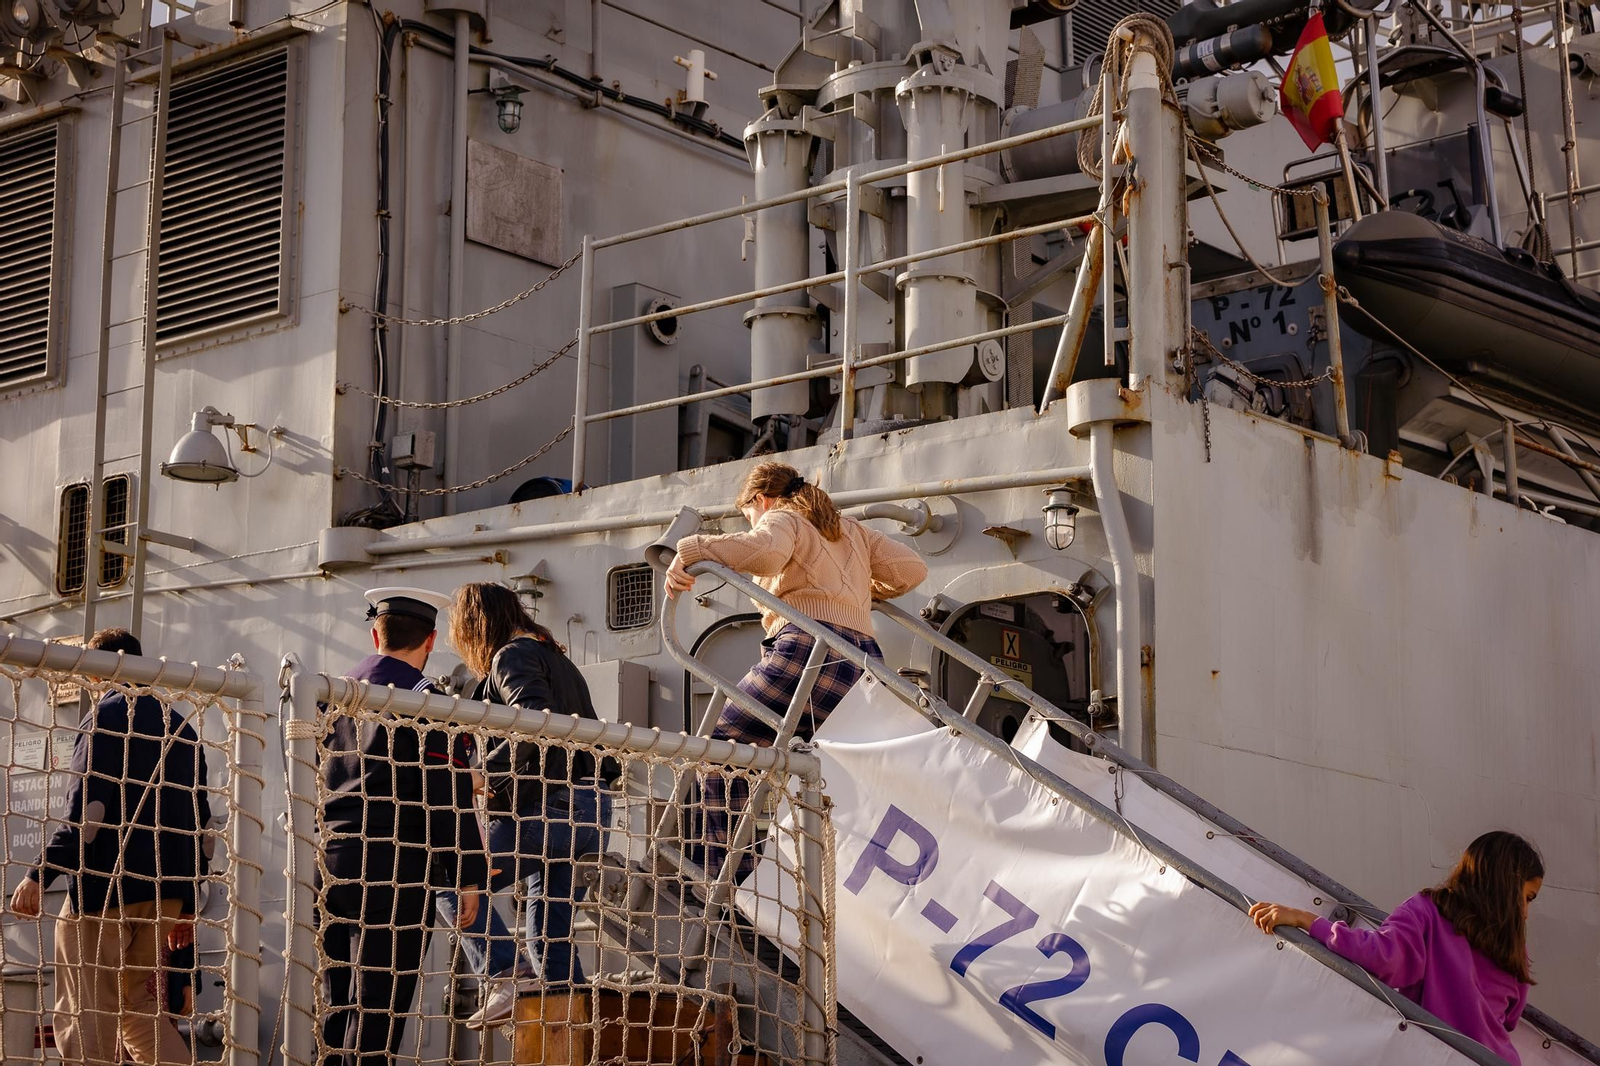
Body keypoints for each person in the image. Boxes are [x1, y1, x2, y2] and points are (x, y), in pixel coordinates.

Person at [664, 461, 927, 878]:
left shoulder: (783, 516)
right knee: (826, 772)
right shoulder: (850, 530)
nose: (753, 523)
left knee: (717, 751)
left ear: (760, 499)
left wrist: (691, 549)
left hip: (805, 650)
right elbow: (913, 569)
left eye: (749, 515)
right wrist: (858, 590)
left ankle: (729, 881)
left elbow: (764, 553)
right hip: (861, 662)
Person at [6, 627, 209, 1065]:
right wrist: (187, 905)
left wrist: (39, 874)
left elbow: (86, 814)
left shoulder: (102, 719)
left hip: (105, 893)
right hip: (164, 897)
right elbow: (199, 824)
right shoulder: (183, 729)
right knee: (137, 1009)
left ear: (97, 672)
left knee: (85, 1012)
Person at [318, 588, 486, 1066]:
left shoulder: (333, 692)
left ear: (376, 634)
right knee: (380, 1011)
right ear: (431, 641)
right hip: (393, 870)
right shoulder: (425, 701)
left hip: (331, 863)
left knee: (335, 1004)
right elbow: (445, 790)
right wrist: (467, 875)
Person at [446, 582, 616, 1022]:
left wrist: (484, 775)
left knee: (446, 876)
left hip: (550, 809)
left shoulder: (510, 656)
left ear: (474, 625)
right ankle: (576, 1029)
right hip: (589, 811)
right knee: (548, 936)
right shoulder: (555, 657)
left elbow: (537, 724)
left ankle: (504, 972)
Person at [1248, 831, 1544, 1066]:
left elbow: (1381, 957)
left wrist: (1308, 920)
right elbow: (1509, 1020)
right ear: (1505, 886)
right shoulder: (1515, 950)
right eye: (1527, 898)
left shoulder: (1429, 912)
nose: (1526, 913)